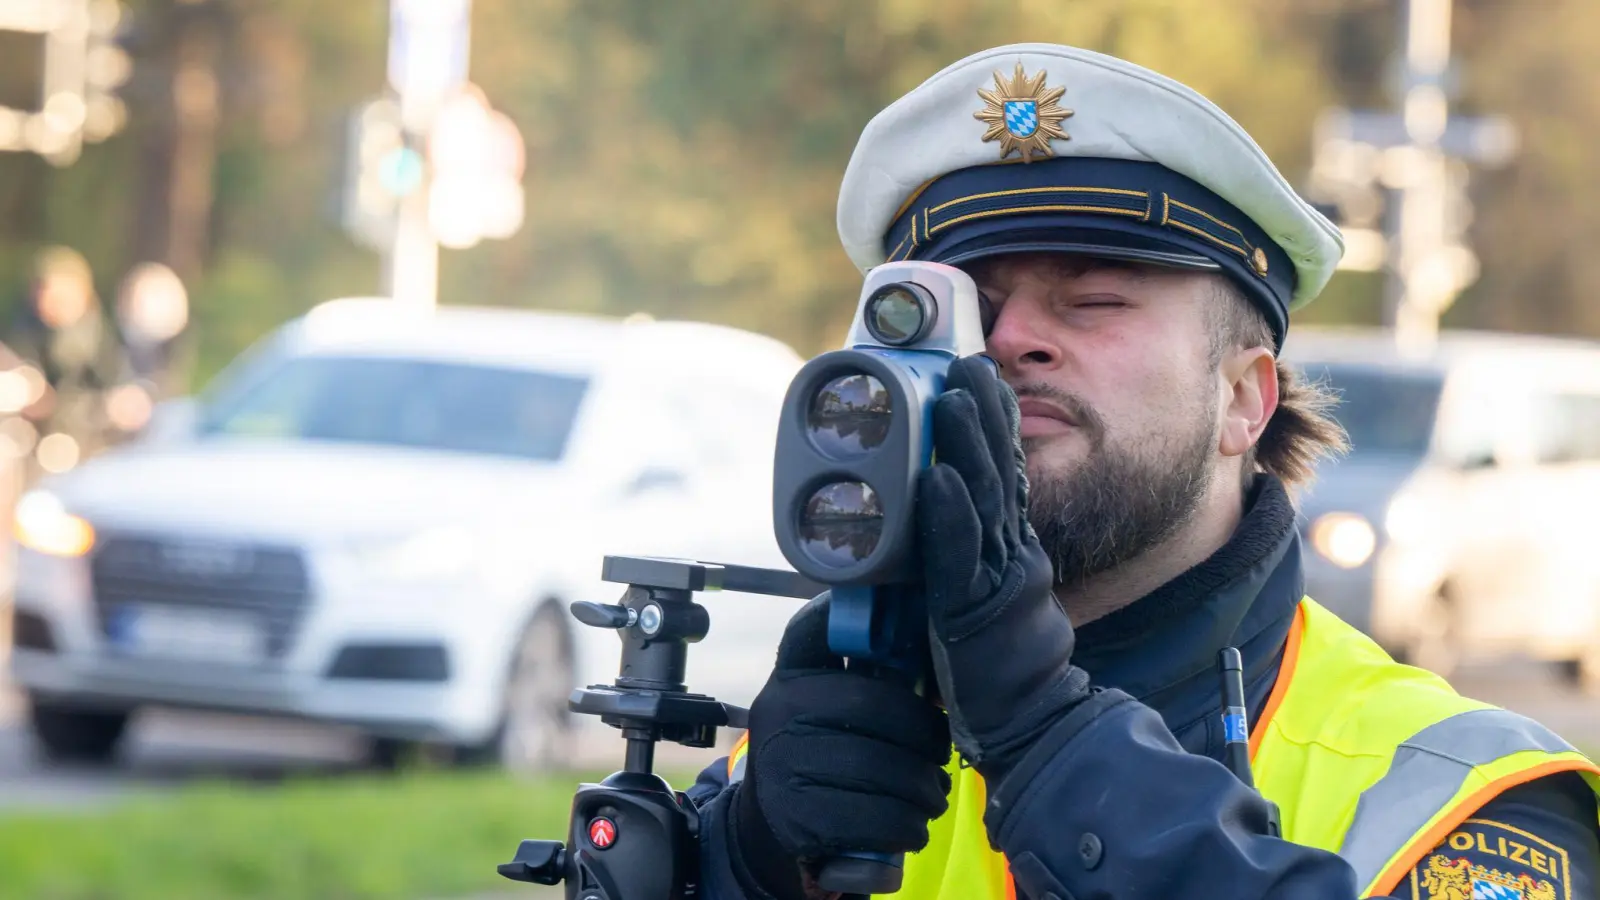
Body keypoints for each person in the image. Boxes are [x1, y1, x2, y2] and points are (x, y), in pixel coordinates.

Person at [683, 43, 1600, 900]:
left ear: (1246, 398)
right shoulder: (828, 752)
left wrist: (1052, 745)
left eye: (1092, 299)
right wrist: (742, 856)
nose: (1008, 343)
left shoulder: (1463, 795)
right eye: (972, 308)